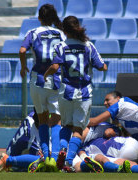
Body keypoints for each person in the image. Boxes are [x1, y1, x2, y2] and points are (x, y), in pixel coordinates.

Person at [44, 15, 108, 172]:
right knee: (78, 130)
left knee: (66, 125)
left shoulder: (60, 46)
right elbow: (102, 66)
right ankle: (67, 162)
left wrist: (46, 74)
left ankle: (62, 149)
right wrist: (100, 66)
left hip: (66, 92)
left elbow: (54, 67)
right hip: (84, 93)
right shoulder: (88, 46)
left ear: (64, 30)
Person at [19, 3, 66, 169]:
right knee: (57, 120)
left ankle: (46, 156)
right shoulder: (61, 34)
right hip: (56, 81)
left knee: (43, 119)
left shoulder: (33, 33)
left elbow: (23, 50)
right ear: (53, 18)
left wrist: (23, 66)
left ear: (39, 18)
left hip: (37, 80)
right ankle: (54, 158)